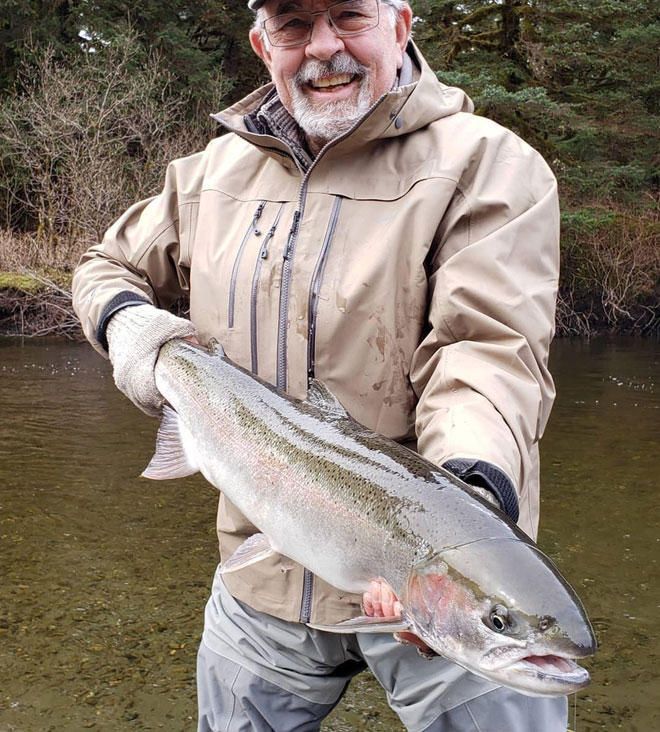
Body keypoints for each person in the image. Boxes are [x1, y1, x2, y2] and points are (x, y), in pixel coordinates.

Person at [72, 0, 565, 729]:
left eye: (349, 16)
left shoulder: (487, 165)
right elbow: (105, 265)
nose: (322, 46)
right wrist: (133, 328)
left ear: (400, 26)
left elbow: (485, 351)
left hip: (430, 574)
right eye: (295, 24)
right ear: (262, 43)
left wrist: (463, 506)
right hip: (259, 575)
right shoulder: (209, 174)